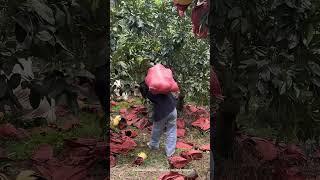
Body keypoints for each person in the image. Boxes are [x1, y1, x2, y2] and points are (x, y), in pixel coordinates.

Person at [139, 81, 178, 158]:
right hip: (173, 110)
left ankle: (153, 145)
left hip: (162, 112)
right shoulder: (163, 86)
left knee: (157, 129)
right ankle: (170, 152)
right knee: (172, 130)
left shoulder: (150, 93)